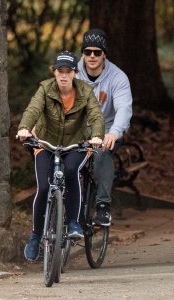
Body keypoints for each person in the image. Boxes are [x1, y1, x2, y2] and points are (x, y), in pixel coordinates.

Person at [17, 51, 105, 261]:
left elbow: (96, 116)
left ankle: (73, 222)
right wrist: (24, 128)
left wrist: (98, 136)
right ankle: (36, 236)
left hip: (75, 144)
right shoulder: (45, 89)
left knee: (72, 171)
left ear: (75, 73)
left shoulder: (85, 91)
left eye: (68, 71)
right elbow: (33, 110)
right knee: (45, 187)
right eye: (60, 71)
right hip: (46, 144)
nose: (64, 75)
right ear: (54, 72)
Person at [77, 29, 133, 226]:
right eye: (88, 52)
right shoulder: (72, 74)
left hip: (108, 126)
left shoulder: (118, 77)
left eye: (97, 52)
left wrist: (114, 133)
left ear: (104, 54)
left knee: (101, 152)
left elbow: (124, 109)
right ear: (83, 53)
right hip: (80, 126)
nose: (92, 56)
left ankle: (102, 207)